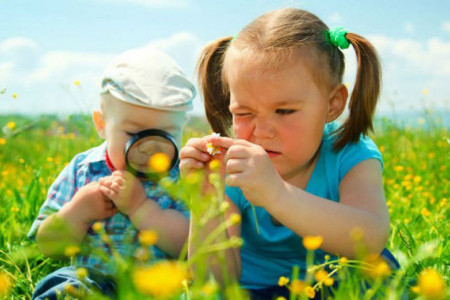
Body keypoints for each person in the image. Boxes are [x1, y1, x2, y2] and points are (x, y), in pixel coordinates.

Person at [179, 7, 399, 300]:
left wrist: (276, 194)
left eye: (284, 111)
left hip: (336, 288)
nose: (262, 132)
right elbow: (215, 281)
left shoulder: (350, 154)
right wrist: (205, 198)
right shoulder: (231, 166)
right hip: (253, 292)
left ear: (332, 104)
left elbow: (370, 240)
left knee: (382, 276)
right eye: (243, 113)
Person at [29, 46, 196, 299]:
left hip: (161, 287)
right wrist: (78, 211)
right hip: (92, 282)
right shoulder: (83, 169)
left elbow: (191, 246)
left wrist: (142, 209)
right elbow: (47, 245)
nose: (150, 148)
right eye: (133, 134)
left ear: (182, 125)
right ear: (101, 124)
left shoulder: (184, 174)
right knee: (64, 284)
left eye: (166, 135)